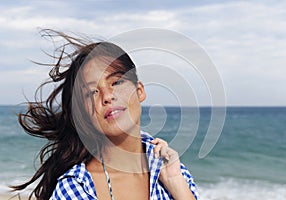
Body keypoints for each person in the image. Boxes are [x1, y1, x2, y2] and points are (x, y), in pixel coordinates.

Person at [12, 30, 199, 200]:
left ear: (139, 90)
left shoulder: (174, 171)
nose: (107, 96)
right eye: (92, 92)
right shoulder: (74, 188)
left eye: (116, 82)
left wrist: (176, 183)